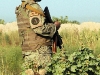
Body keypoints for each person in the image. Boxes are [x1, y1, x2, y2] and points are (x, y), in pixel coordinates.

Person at [15, 0, 61, 75]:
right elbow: (39, 29)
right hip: (40, 52)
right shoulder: (33, 6)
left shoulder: (21, 7)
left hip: (28, 52)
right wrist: (55, 26)